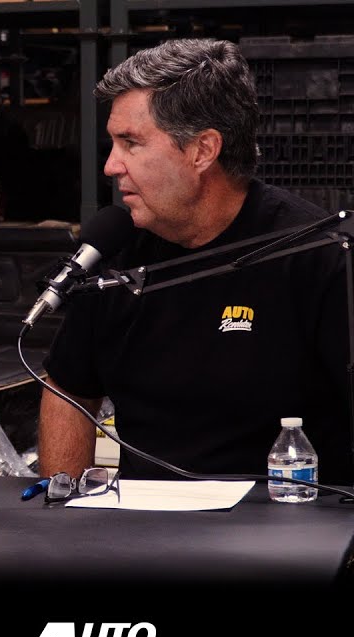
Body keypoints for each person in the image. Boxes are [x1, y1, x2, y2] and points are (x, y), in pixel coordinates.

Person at [39, 39, 351, 482]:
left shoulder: (317, 257)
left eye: (131, 143)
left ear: (203, 150)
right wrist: (65, 503)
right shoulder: (115, 253)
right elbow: (68, 386)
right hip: (142, 518)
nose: (110, 166)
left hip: (280, 517)